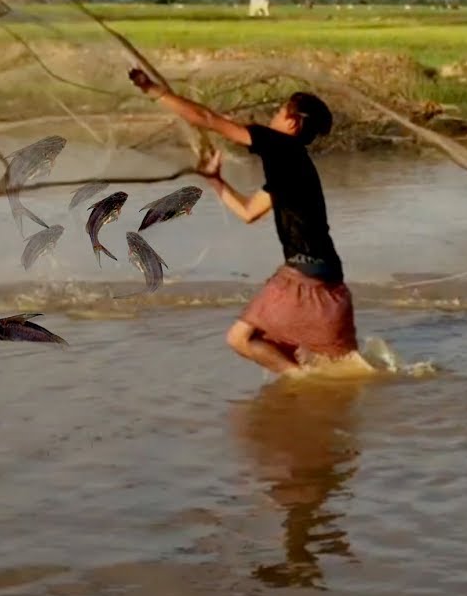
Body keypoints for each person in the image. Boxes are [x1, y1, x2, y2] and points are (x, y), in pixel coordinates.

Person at [128, 67, 358, 374]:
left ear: (291, 122)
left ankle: (302, 383)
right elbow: (249, 212)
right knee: (288, 350)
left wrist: (155, 91)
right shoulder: (294, 165)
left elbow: (208, 120)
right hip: (326, 275)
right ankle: (306, 392)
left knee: (240, 338)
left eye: (278, 111)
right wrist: (216, 181)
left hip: (305, 275)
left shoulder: (278, 144)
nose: (273, 117)